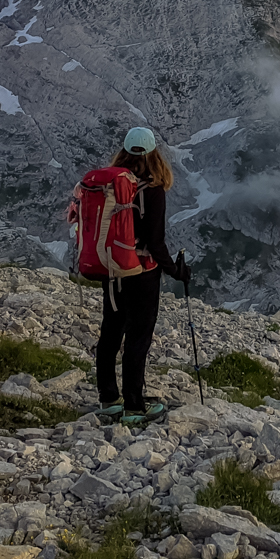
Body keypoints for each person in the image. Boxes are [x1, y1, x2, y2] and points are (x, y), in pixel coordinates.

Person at [90, 127, 188, 426]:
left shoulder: (111, 184)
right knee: (138, 337)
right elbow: (155, 243)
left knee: (111, 331)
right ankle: (134, 406)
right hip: (142, 272)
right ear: (153, 152)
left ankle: (109, 399)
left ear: (125, 150)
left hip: (112, 269)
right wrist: (176, 270)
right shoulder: (153, 188)